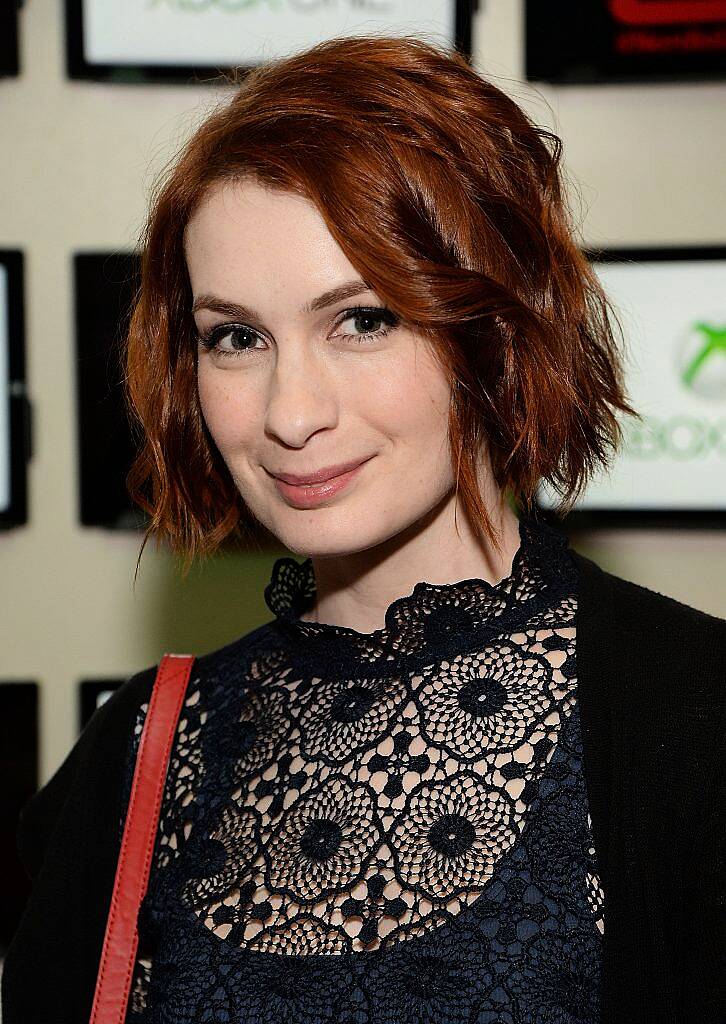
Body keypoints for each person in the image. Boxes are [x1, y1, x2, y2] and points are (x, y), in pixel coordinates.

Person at [3, 33, 725, 1024]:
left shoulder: (692, 721)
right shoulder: (139, 751)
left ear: (498, 328)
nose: (291, 411)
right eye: (237, 337)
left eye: (363, 319)